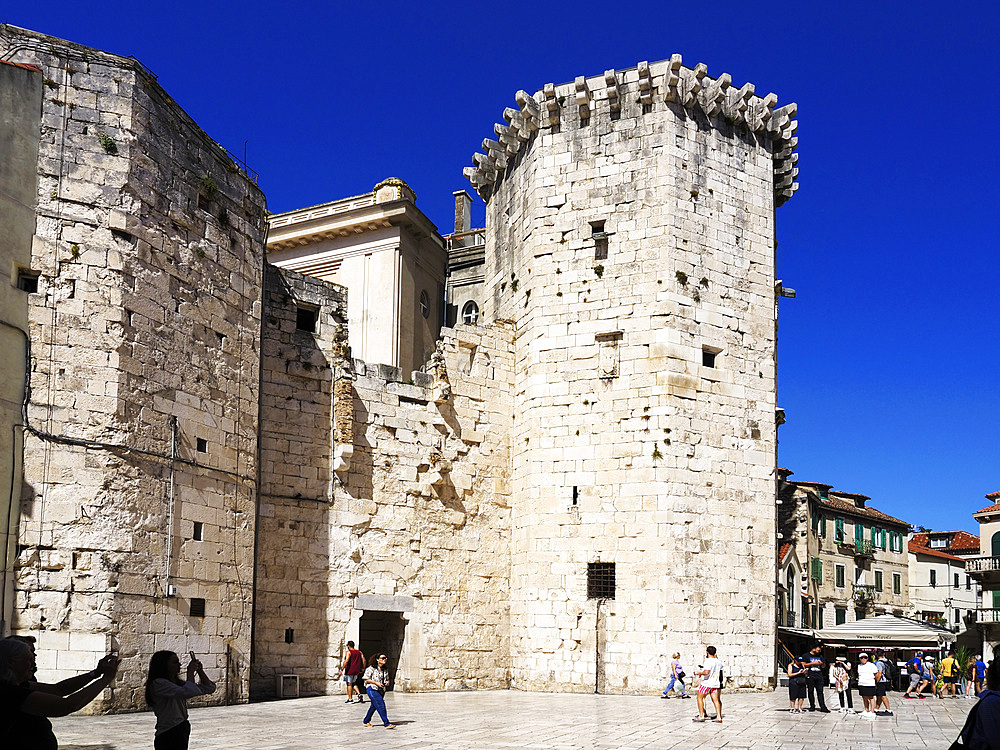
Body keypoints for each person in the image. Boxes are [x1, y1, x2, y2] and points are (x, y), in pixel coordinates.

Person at [0, 636, 119, 749]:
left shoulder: (21, 685)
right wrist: (106, 678)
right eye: (28, 660)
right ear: (11, 662)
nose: (33, 664)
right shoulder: (8, 693)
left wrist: (96, 673)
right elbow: (67, 705)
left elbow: (58, 689)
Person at [145, 650, 216, 749]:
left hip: (180, 728)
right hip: (169, 732)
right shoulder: (158, 683)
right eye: (174, 662)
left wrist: (200, 671)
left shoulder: (176, 684)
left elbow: (209, 688)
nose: (179, 664)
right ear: (163, 665)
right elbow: (189, 692)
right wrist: (190, 672)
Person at [956, 659, 1000, 750]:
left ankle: (967, 694)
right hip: (977, 676)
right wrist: (973, 677)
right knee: (977, 686)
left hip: (970, 677)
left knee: (971, 686)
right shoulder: (993, 702)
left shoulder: (971, 665)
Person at [362, 653, 396, 729]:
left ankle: (366, 721)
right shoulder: (371, 668)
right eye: (383, 658)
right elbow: (365, 678)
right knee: (381, 704)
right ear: (377, 659)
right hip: (372, 688)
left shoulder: (385, 669)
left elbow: (387, 679)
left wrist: (387, 682)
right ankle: (386, 723)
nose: (385, 659)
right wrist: (375, 682)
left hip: (381, 689)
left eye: (385, 658)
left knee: (374, 706)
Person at [692, 645, 723, 723]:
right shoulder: (718, 662)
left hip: (707, 683)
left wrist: (699, 672)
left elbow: (706, 672)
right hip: (715, 684)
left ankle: (701, 715)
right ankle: (719, 716)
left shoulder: (708, 661)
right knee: (716, 700)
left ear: (707, 652)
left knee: (700, 697)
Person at [801, 645, 830, 712]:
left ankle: (823, 706)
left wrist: (821, 664)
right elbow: (803, 664)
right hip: (810, 675)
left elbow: (824, 666)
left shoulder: (820, 656)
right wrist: (812, 663)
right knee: (810, 691)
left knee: (820, 692)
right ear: (813, 649)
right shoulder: (806, 655)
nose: (819, 651)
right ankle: (812, 706)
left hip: (819, 675)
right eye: (818, 650)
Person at [855, 653, 881, 719]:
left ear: (867, 658)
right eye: (862, 658)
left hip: (870, 683)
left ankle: (872, 711)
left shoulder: (871, 665)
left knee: (871, 697)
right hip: (861, 683)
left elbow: (876, 674)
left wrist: (875, 682)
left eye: (865, 657)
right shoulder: (859, 666)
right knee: (864, 697)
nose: (863, 659)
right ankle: (866, 709)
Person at [874, 650, 894, 716]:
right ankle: (876, 708)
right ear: (884, 654)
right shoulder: (889, 661)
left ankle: (888, 710)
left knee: (882, 695)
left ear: (876, 654)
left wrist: (876, 681)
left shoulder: (879, 663)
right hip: (888, 680)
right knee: (879, 695)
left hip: (881, 681)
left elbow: (879, 673)